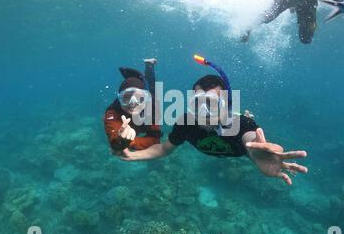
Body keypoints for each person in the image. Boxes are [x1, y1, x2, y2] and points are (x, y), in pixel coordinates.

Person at [120, 74, 308, 185]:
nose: (204, 112)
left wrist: (256, 155)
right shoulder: (186, 123)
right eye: (197, 103)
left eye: (212, 103)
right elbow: (164, 148)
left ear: (226, 104)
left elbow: (252, 141)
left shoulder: (242, 125)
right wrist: (132, 155)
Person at [104, 58, 162, 154]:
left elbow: (155, 140)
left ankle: (149, 65)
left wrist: (132, 142)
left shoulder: (151, 109)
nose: (133, 103)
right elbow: (114, 141)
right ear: (119, 99)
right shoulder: (112, 112)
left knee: (151, 86)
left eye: (139, 98)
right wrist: (121, 140)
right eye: (126, 98)